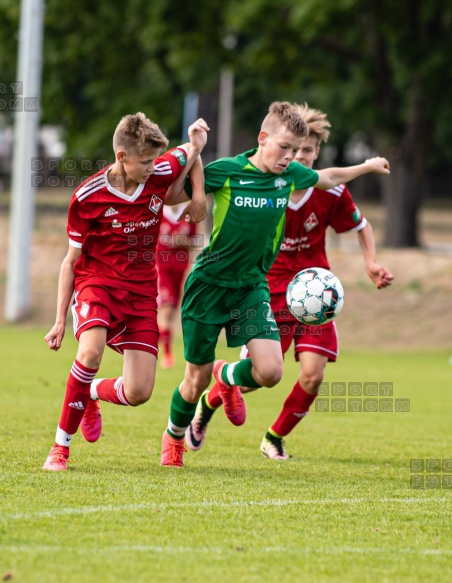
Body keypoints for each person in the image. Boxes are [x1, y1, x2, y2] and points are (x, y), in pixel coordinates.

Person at [160, 100, 391, 468]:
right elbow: (171, 196)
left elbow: (328, 178)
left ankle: (230, 380)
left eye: (297, 151)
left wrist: (366, 165)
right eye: (284, 148)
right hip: (208, 286)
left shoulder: (291, 176)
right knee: (195, 380)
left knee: (270, 372)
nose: (290, 157)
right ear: (262, 138)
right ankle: (173, 438)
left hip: (252, 286)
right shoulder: (227, 170)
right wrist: (193, 151)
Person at [42, 112, 209, 471]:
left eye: (154, 160)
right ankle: (59, 449)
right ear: (122, 157)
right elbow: (71, 261)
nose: (152, 168)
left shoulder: (157, 171)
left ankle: (88, 392)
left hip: (141, 292)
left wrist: (197, 195)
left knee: (139, 392)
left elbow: (193, 154)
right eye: (145, 162)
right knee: (90, 352)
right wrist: (59, 321)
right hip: (97, 284)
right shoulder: (87, 196)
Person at [156, 203, 199, 369]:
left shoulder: (189, 215)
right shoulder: (159, 214)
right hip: (162, 269)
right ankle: (167, 354)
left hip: (181, 269)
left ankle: (163, 346)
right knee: (166, 309)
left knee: (174, 311)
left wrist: (184, 242)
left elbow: (196, 239)